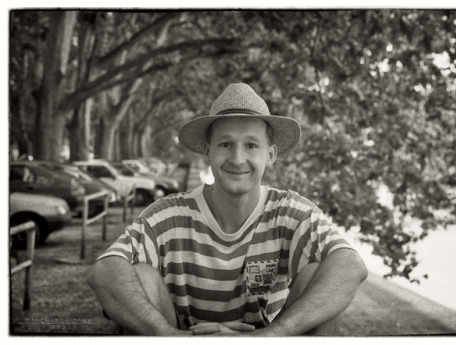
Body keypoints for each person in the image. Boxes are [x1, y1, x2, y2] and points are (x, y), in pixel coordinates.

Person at [87, 83, 368, 336]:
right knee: (141, 275)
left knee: (318, 273)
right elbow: (105, 270)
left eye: (250, 145)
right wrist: (170, 336)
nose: (237, 158)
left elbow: (350, 265)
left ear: (269, 155)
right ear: (207, 152)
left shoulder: (290, 212)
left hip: (267, 341)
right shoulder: (168, 215)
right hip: (180, 342)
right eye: (225, 144)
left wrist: (268, 338)